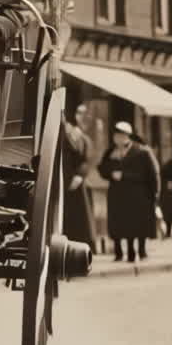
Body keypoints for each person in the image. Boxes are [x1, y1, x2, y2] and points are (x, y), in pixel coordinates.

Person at [97, 121, 159, 263]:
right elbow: (101, 168)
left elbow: (151, 173)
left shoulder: (142, 152)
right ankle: (118, 252)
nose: (117, 138)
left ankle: (136, 252)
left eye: (121, 135)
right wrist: (111, 174)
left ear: (128, 136)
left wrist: (155, 193)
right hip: (117, 194)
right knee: (117, 223)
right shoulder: (111, 151)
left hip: (137, 195)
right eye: (116, 135)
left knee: (135, 223)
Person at [61, 103, 96, 251]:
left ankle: (82, 246)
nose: (83, 117)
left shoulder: (86, 139)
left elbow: (87, 160)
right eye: (80, 114)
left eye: (86, 114)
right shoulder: (69, 132)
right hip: (64, 179)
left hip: (77, 182)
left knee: (81, 217)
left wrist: (79, 176)